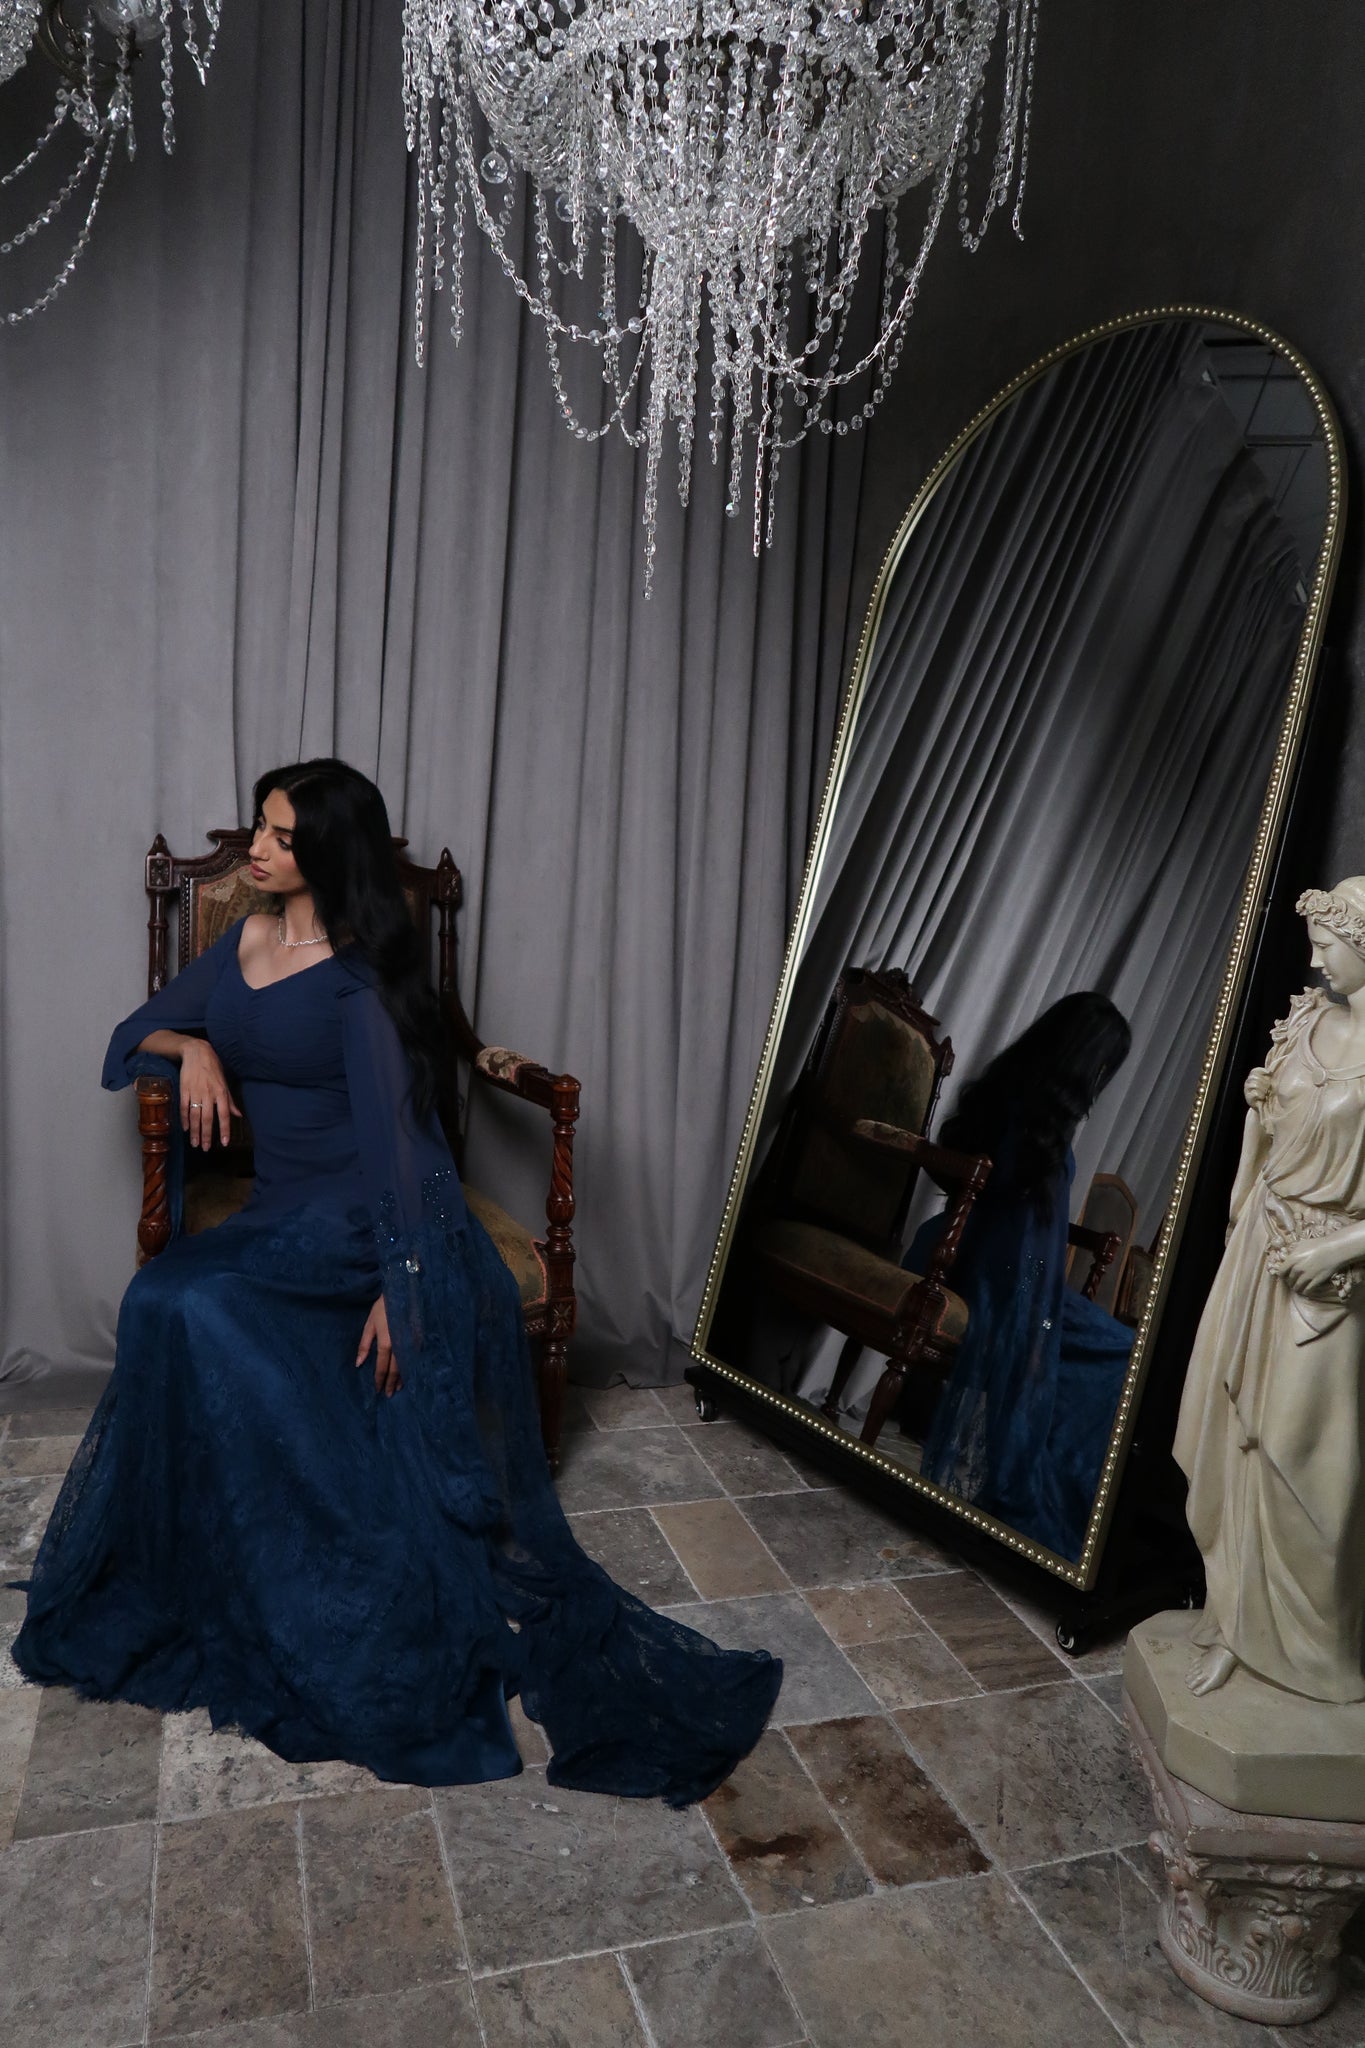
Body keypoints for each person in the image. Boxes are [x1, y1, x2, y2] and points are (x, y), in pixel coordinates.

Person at [14, 759, 781, 1802]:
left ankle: (300, 1545)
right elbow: (126, 1035)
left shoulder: (360, 981)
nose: (257, 849)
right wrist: (189, 1047)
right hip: (276, 1213)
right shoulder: (242, 941)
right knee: (162, 1300)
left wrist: (404, 1282)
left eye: (281, 836)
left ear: (326, 852)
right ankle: (208, 1548)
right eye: (258, 827)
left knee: (193, 1303)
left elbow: (407, 1148)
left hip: (354, 1226)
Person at [1175, 881, 1365, 1702]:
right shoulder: (1305, 1019)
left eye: (1329, 944)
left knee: (1305, 1459)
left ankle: (1312, 1656)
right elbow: (1263, 1122)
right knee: (1233, 1435)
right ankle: (1233, 1625)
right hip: (1259, 1246)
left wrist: (1341, 1248)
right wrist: (1241, 1198)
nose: (1316, 960)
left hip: (1330, 1277)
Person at [906, 992, 1135, 1560]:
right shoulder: (1036, 1128)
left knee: (1119, 1348)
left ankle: (1073, 1490)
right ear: (1088, 1063)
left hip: (968, 1253)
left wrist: (1041, 1303)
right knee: (1119, 1356)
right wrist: (1036, 1314)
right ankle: (1048, 1491)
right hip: (980, 1270)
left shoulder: (1012, 1097)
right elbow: (1024, 1243)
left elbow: (1030, 1238)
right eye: (1104, 1068)